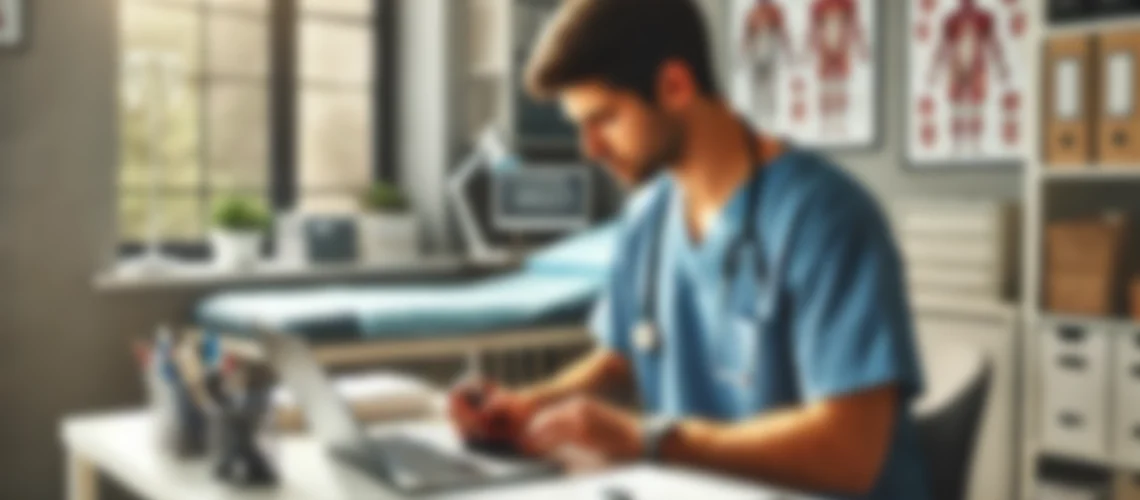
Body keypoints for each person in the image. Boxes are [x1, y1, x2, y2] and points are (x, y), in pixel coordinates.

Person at [448, 0, 929, 498]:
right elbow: (621, 359)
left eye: (605, 118)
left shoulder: (825, 219)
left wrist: (647, 440)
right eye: (580, 126)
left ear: (675, 85)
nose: (589, 148)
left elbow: (848, 454)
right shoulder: (648, 218)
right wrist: (528, 404)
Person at [927, 0, 1010, 156]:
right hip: (957, 65)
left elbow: (993, 43)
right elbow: (943, 46)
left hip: (976, 65)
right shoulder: (951, 19)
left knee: (976, 107)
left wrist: (1001, 67)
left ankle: (976, 145)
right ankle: (956, 145)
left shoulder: (984, 17)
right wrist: (934, 71)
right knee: (957, 108)